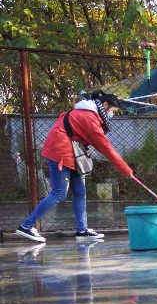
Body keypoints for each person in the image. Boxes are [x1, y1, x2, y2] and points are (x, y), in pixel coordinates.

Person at [15, 91, 133, 243]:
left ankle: (82, 230)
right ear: (105, 105)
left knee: (79, 191)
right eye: (113, 112)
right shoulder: (89, 117)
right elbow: (105, 147)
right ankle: (26, 226)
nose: (113, 115)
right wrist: (125, 169)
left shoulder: (88, 112)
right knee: (59, 193)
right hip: (60, 153)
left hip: (71, 153)